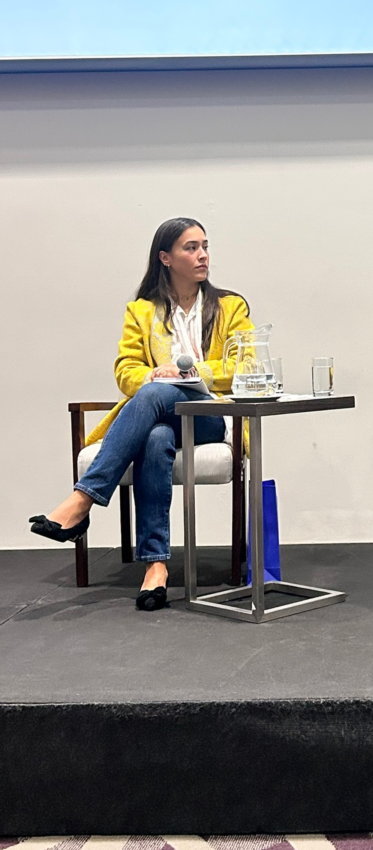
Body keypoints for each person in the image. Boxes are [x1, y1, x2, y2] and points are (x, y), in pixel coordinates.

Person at [29, 218, 253, 611]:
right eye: (191, 248)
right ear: (165, 258)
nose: (203, 255)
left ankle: (83, 499)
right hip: (159, 418)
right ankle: (156, 567)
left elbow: (244, 366)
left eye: (205, 246)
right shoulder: (142, 311)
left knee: (154, 393)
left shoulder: (230, 307)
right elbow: (126, 370)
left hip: (208, 415)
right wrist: (154, 375)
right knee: (155, 437)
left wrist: (188, 374)